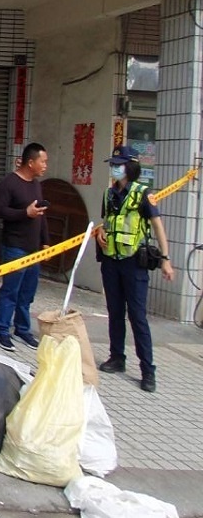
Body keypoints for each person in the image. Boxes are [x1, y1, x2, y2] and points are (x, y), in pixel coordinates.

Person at [95, 145, 174, 393]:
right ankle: (117, 358)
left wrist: (165, 258)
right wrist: (99, 234)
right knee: (115, 312)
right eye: (113, 164)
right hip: (111, 261)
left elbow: (157, 226)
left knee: (137, 317)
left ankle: (148, 370)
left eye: (118, 164)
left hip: (133, 264)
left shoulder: (142, 194)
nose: (114, 168)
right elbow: (105, 223)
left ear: (130, 167)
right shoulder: (108, 194)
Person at [0, 142, 50, 352]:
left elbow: (41, 215)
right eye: (43, 161)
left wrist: (45, 241)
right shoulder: (9, 183)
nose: (45, 165)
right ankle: (2, 330)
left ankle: (23, 329)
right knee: (10, 290)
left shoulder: (36, 184)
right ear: (30, 162)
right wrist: (24, 213)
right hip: (15, 247)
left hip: (34, 248)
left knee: (27, 293)